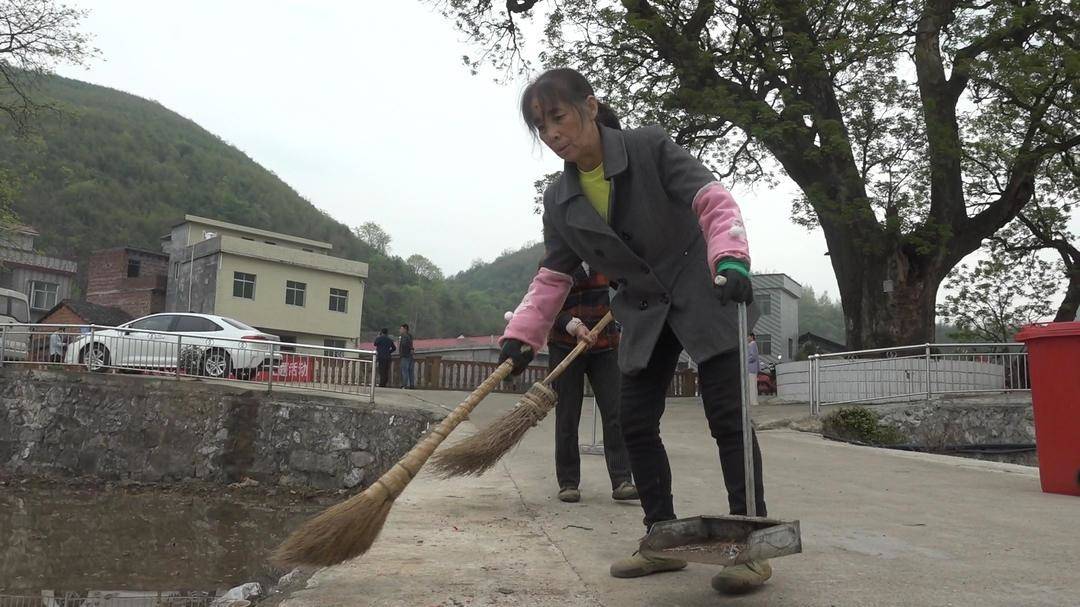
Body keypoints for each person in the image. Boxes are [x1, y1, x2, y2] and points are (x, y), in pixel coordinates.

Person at [497, 68, 770, 595]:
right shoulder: (560, 201)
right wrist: (523, 333)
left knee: (728, 416)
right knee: (635, 422)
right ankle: (661, 538)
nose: (553, 133)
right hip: (643, 308)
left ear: (590, 106)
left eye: (558, 117)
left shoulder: (648, 147)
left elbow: (714, 200)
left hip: (702, 287)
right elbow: (555, 272)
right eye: (541, 126)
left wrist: (732, 257)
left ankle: (751, 544)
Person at [548, 262, 636, 503]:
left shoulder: (603, 255)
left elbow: (629, 281)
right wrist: (574, 326)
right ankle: (568, 482)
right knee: (567, 414)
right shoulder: (556, 260)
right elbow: (545, 306)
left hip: (604, 344)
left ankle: (622, 480)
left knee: (615, 411)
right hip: (565, 346)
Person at [398, 323, 415, 389]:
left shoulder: (404, 336)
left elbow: (405, 344)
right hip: (410, 355)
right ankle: (412, 385)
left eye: (401, 329)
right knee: (411, 371)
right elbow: (411, 345)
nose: (400, 330)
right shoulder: (410, 336)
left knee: (404, 371)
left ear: (405, 329)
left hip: (405, 355)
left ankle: (404, 385)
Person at [747, 332, 760, 407]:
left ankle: (753, 402)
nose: (747, 338)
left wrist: (745, 360)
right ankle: (753, 401)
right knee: (752, 385)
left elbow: (753, 357)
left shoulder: (752, 344)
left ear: (751, 337)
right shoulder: (752, 344)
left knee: (752, 386)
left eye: (748, 336)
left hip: (751, 368)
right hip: (752, 368)